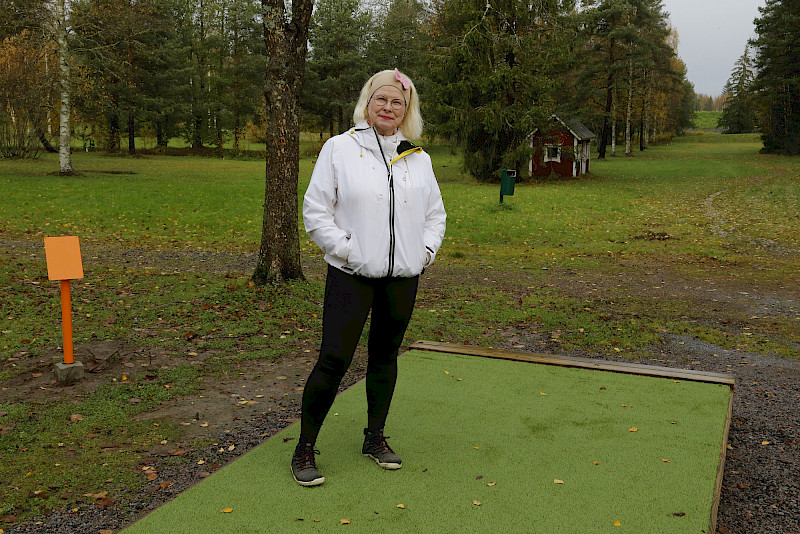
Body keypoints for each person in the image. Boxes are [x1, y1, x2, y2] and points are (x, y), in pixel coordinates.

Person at [292, 68, 447, 486]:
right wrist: (349, 251)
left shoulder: (418, 158)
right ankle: (305, 447)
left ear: (406, 111)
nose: (388, 107)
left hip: (402, 278)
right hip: (352, 275)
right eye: (381, 99)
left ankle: (374, 437)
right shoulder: (339, 149)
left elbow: (435, 215)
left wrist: (424, 251)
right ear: (367, 102)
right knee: (334, 360)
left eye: (397, 102)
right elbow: (316, 211)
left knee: (384, 358)